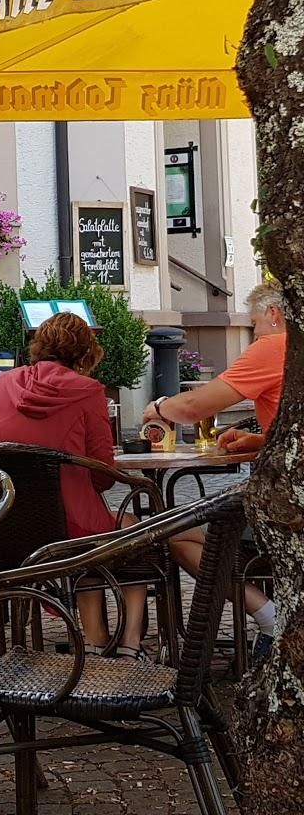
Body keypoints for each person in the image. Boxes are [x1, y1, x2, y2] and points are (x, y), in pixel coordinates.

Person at [0, 312, 149, 656]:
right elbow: (103, 474)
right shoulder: (89, 390)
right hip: (74, 529)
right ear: (84, 353)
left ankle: (94, 639)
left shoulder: (2, 384)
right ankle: (128, 644)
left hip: (11, 527)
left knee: (90, 534)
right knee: (134, 532)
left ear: (39, 347)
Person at [141, 280, 286, 656]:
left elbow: (195, 407)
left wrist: (158, 408)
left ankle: (270, 616)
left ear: (274, 314)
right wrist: (262, 442)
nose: (254, 332)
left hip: (287, 501)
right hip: (287, 485)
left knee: (175, 530)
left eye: (253, 324)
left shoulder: (275, 346)